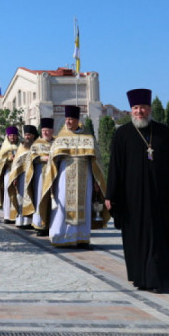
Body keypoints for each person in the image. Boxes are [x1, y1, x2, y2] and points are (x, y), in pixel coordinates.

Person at [106, 89, 169, 292]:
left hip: (160, 196)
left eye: (143, 107)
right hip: (131, 198)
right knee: (137, 236)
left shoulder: (162, 132)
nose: (139, 111)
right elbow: (115, 166)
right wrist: (110, 194)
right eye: (135, 108)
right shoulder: (122, 133)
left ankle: (161, 276)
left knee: (159, 235)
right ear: (131, 111)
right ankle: (141, 276)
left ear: (149, 109)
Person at [39, 106, 109, 248]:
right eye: (66, 119)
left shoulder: (88, 137)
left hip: (86, 176)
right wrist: (51, 179)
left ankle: (82, 239)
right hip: (64, 177)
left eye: (71, 119)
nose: (68, 122)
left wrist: (97, 180)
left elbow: (97, 160)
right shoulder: (61, 138)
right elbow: (53, 160)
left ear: (78, 120)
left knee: (84, 205)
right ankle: (60, 237)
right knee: (63, 205)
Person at [21, 118, 55, 235]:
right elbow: (31, 158)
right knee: (41, 198)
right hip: (41, 176)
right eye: (43, 130)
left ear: (52, 131)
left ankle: (53, 225)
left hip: (55, 176)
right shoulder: (37, 144)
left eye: (47, 130)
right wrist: (41, 158)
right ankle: (40, 225)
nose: (45, 132)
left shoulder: (57, 143)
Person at [9, 125, 38, 228]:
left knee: (34, 197)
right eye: (25, 134)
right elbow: (16, 163)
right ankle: (22, 220)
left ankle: (32, 221)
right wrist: (15, 177)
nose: (27, 137)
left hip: (35, 175)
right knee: (22, 197)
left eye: (29, 135)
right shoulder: (22, 146)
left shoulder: (38, 145)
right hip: (23, 176)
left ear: (34, 136)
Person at [0, 126, 21, 222]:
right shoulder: (4, 147)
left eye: (14, 135)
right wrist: (8, 158)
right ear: (8, 136)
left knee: (19, 193)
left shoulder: (21, 146)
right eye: (11, 135)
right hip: (8, 172)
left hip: (20, 172)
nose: (12, 137)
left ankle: (18, 215)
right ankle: (8, 216)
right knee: (8, 193)